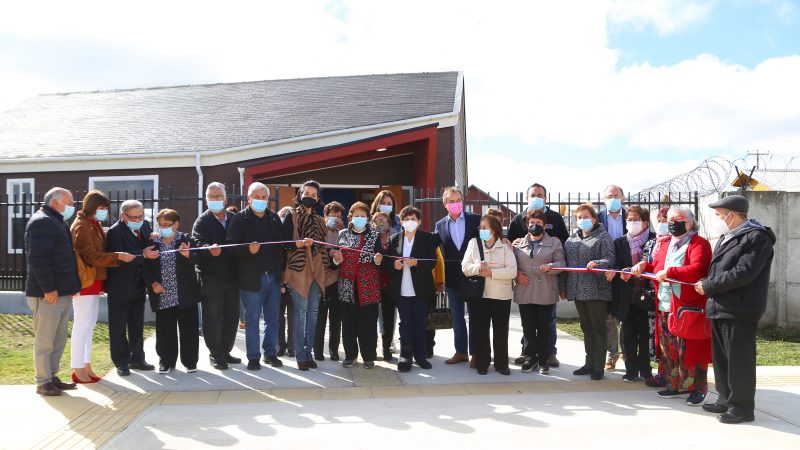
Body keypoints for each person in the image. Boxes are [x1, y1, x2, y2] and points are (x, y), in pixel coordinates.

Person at [695, 195, 775, 424]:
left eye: (720, 214)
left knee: (739, 361)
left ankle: (742, 408)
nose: (718, 218)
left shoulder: (757, 237)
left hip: (740, 308)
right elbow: (720, 271)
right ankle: (724, 398)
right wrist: (708, 283)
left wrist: (708, 285)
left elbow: (744, 272)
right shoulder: (728, 237)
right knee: (721, 359)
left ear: (733, 213)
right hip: (720, 306)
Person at [631, 206, 712, 406]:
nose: (672, 223)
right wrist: (644, 265)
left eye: (678, 219)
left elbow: (697, 269)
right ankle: (675, 384)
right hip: (665, 304)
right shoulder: (667, 244)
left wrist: (671, 272)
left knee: (691, 348)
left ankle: (698, 388)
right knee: (669, 348)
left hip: (687, 306)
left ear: (690, 222)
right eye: (669, 220)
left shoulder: (698, 244)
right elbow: (657, 266)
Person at [70, 190, 135, 383]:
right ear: (91, 207)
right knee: (82, 325)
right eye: (101, 207)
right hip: (86, 281)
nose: (104, 211)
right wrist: (117, 256)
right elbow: (89, 256)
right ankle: (77, 367)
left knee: (89, 325)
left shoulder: (93, 224)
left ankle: (86, 365)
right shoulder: (82, 225)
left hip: (94, 279)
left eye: (106, 208)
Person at [25, 187, 81, 396]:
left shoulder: (56, 221)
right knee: (45, 340)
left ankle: (52, 376)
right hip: (48, 293)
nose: (72, 207)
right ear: (56, 203)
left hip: (62, 291)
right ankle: (43, 381)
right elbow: (38, 260)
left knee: (58, 339)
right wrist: (49, 288)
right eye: (70, 202)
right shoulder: (42, 222)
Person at [507, 183, 568, 368]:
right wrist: (516, 273)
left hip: (547, 283)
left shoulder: (555, 219)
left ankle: (549, 353)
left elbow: (564, 249)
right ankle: (527, 353)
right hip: (526, 283)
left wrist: (561, 281)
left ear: (546, 197)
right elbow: (509, 249)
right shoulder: (518, 219)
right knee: (527, 322)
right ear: (526, 198)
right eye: (533, 194)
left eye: (540, 194)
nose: (536, 197)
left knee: (547, 322)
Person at [226, 182, 285, 371]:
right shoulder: (239, 220)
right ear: (249, 199)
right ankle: (253, 357)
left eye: (264, 198)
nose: (261, 201)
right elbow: (231, 247)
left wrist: (281, 273)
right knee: (251, 320)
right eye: (257, 197)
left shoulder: (274, 218)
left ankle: (270, 353)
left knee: (273, 318)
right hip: (251, 278)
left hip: (273, 276)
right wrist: (246, 249)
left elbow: (282, 246)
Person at [142, 209, 200, 373]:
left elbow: (199, 259)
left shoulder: (186, 240)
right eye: (161, 224)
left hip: (185, 293)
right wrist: (153, 283)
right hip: (163, 294)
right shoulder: (153, 242)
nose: (164, 227)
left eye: (167, 224)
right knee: (165, 330)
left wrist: (189, 255)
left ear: (177, 224)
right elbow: (144, 267)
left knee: (189, 329)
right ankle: (166, 361)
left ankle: (190, 362)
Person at [381, 205, 438, 372]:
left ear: (419, 221)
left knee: (420, 323)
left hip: (420, 289)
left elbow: (433, 262)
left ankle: (420, 355)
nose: (410, 222)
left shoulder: (428, 238)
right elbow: (387, 262)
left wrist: (417, 262)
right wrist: (394, 264)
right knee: (405, 323)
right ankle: (405, 356)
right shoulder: (394, 239)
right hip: (401, 289)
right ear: (401, 221)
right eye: (406, 219)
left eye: (413, 219)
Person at [106, 199, 158, 376]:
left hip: (138, 284)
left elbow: (145, 247)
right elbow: (122, 256)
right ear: (123, 216)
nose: (138, 220)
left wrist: (153, 241)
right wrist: (142, 254)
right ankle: (121, 362)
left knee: (137, 324)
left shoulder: (145, 226)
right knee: (118, 327)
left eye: (141, 216)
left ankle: (138, 358)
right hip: (120, 285)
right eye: (133, 217)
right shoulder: (115, 232)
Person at [192, 182, 240, 370]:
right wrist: (207, 249)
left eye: (218, 196)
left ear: (225, 198)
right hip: (211, 277)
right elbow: (197, 242)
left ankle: (226, 351)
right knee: (212, 317)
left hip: (233, 276)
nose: (215, 200)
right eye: (211, 197)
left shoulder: (235, 218)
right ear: (206, 199)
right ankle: (215, 354)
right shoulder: (202, 221)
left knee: (231, 315)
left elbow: (242, 239)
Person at [563, 203, 615, 380]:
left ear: (594, 218)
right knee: (586, 327)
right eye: (579, 217)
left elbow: (610, 259)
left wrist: (598, 263)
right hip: (577, 290)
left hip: (597, 290)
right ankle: (589, 362)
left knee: (597, 328)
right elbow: (566, 264)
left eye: (586, 217)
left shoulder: (603, 236)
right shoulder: (571, 240)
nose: (583, 220)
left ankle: (598, 366)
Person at [330, 202, 384, 368]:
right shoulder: (342, 234)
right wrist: (335, 259)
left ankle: (368, 356)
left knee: (367, 323)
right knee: (348, 323)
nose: (359, 218)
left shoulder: (374, 235)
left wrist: (378, 260)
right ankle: (350, 355)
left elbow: (380, 259)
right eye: (356, 216)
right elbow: (334, 262)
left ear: (368, 218)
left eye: (363, 216)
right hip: (347, 285)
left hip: (368, 286)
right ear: (350, 218)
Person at [462, 214, 517, 375]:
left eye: (486, 228)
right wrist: (479, 268)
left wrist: (491, 272)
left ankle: (502, 364)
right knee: (481, 330)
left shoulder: (505, 247)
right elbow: (465, 267)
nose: (482, 230)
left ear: (494, 229)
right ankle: (482, 363)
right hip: (480, 295)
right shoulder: (474, 243)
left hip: (501, 296)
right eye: (481, 228)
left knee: (501, 331)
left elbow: (512, 271)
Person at [283, 180, 329, 371]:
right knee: (300, 313)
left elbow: (324, 246)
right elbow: (284, 242)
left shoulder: (320, 220)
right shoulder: (291, 216)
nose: (309, 197)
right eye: (307, 193)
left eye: (313, 194)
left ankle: (308, 353)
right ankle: (300, 355)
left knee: (313, 314)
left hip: (317, 271)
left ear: (318, 199)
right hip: (299, 270)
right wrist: (298, 244)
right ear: (300, 194)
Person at [607, 206, 657, 384]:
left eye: (635, 220)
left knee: (645, 333)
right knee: (628, 334)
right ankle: (630, 370)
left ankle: (646, 370)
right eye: (629, 220)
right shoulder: (620, 242)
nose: (631, 223)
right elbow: (615, 264)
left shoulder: (654, 240)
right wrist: (620, 272)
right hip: (627, 295)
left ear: (645, 222)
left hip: (647, 296)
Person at [433, 186, 481, 366]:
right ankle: (461, 352)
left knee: (476, 317)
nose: (455, 204)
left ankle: (476, 353)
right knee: (457, 318)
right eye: (451, 201)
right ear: (445, 204)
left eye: (458, 200)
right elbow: (431, 246)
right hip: (453, 279)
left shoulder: (475, 220)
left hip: (474, 277)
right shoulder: (439, 225)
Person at [598, 184, 627, 371]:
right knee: (607, 317)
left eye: (616, 195)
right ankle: (612, 354)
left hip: (627, 272)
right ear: (604, 199)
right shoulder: (597, 219)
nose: (613, 198)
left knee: (626, 315)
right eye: (609, 196)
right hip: (605, 273)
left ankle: (627, 353)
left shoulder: (633, 216)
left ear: (623, 197)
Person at [315, 201, 345, 361]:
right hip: (320, 280)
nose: (336, 219)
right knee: (319, 317)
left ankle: (334, 350)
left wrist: (341, 229)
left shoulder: (343, 233)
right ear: (325, 216)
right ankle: (318, 350)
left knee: (335, 318)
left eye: (339, 216)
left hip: (336, 279)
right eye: (332, 215)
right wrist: (329, 252)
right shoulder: (319, 230)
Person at [277, 206, 295, 357]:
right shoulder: (276, 241)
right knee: (278, 317)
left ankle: (292, 347)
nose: (285, 218)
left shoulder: (295, 242)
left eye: (287, 215)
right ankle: (279, 346)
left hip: (293, 283)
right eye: (283, 215)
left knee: (293, 318)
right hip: (278, 282)